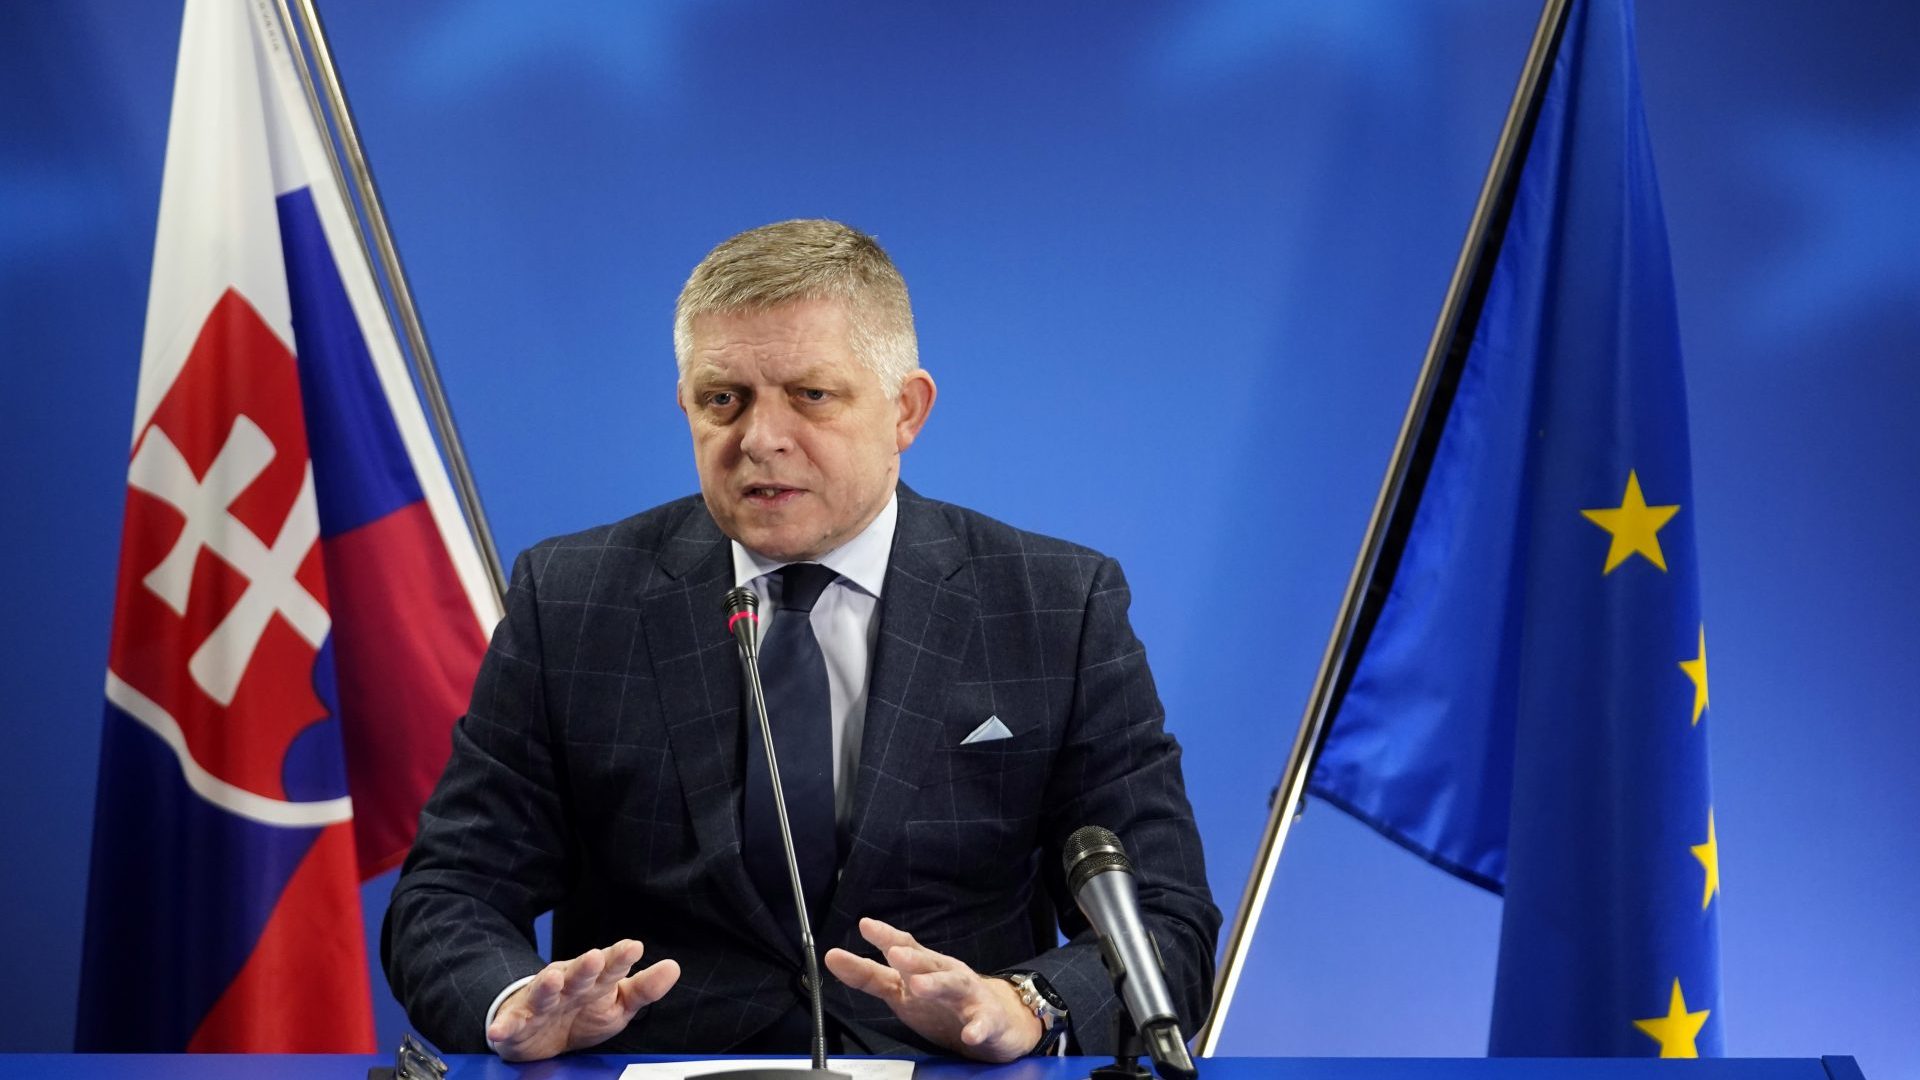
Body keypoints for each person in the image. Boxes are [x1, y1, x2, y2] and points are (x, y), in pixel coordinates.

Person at [383, 219, 1220, 1063]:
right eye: (724, 399)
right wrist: (517, 1000)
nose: (759, 438)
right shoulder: (571, 600)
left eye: (810, 395)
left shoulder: (1053, 606)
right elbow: (449, 894)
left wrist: (1025, 1004)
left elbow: (1165, 919)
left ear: (906, 409)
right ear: (687, 406)